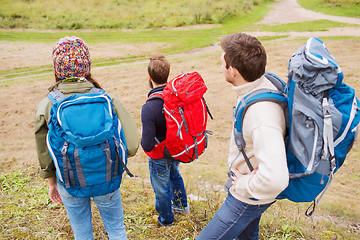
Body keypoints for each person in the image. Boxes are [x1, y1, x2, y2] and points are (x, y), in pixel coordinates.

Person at [34, 36, 139, 240]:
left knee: (82, 234)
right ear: (87, 64)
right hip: (107, 178)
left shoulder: (47, 105)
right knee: (117, 230)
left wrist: (51, 182)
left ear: (57, 68)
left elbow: (44, 153)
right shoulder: (107, 98)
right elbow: (133, 146)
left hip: (69, 182)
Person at [197, 33, 289, 239]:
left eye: (223, 63)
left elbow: (276, 179)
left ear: (233, 70)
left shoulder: (261, 115)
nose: (221, 67)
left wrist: (244, 185)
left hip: (247, 198)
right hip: (254, 193)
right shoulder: (263, 84)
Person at [141, 54, 190, 226]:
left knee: (161, 189)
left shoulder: (149, 107)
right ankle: (181, 206)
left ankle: (166, 220)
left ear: (149, 77)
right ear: (168, 74)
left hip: (159, 156)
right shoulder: (176, 98)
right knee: (175, 174)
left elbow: (147, 144)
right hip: (177, 149)